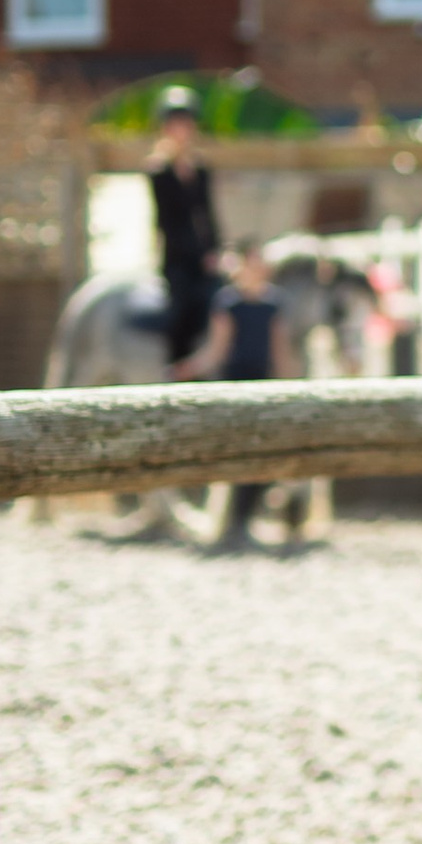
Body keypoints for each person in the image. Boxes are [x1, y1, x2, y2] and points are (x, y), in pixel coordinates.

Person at [178, 241, 293, 548]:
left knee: (263, 455)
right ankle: (232, 523)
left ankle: (247, 518)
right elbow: (217, 349)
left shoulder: (274, 303)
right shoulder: (228, 303)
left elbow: (280, 350)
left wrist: (290, 385)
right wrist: (188, 369)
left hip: (264, 384)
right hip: (236, 384)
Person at [146, 87, 223, 369]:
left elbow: (208, 214)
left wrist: (215, 249)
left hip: (202, 255)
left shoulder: (201, 169)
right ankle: (175, 366)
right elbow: (167, 221)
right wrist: (194, 252)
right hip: (176, 256)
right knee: (182, 302)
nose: (182, 130)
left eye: (186, 124)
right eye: (175, 124)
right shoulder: (159, 172)